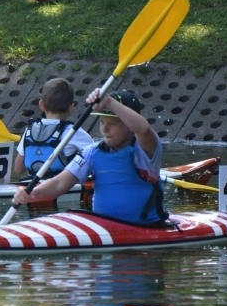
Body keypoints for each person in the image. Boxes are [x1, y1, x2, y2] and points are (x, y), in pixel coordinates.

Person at [13, 89, 167, 225]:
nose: (105, 129)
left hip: (147, 228)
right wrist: (32, 193)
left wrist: (109, 102)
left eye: (112, 123)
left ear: (129, 126)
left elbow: (143, 129)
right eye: (102, 122)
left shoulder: (145, 151)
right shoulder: (91, 152)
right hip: (104, 229)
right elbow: (60, 183)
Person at [12, 77, 93, 180]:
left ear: (41, 105)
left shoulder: (30, 130)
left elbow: (18, 169)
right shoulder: (73, 132)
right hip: (62, 186)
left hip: (32, 185)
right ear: (71, 107)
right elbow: (97, 157)